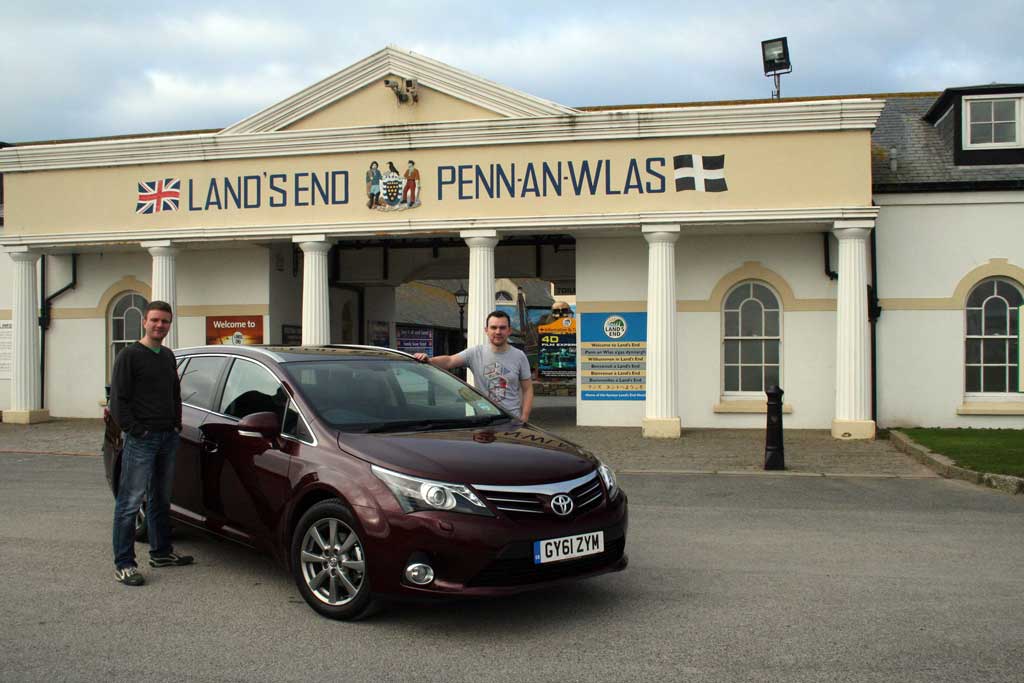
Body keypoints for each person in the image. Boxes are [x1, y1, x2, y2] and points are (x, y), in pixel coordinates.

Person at [110, 300, 193, 586]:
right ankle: (124, 564)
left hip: (167, 437)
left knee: (161, 498)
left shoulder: (167, 356)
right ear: (144, 322)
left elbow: (174, 394)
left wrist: (176, 424)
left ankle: (161, 552)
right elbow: (118, 401)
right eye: (155, 320)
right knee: (130, 502)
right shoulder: (129, 356)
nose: (160, 325)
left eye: (165, 321)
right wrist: (138, 431)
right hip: (142, 440)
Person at [414, 310, 533, 421]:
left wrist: (524, 417)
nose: (498, 332)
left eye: (502, 328)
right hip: (483, 418)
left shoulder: (519, 356)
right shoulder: (475, 353)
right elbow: (449, 361)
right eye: (493, 327)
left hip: (511, 418)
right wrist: (428, 360)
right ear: (486, 330)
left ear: (509, 330)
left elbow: (527, 389)